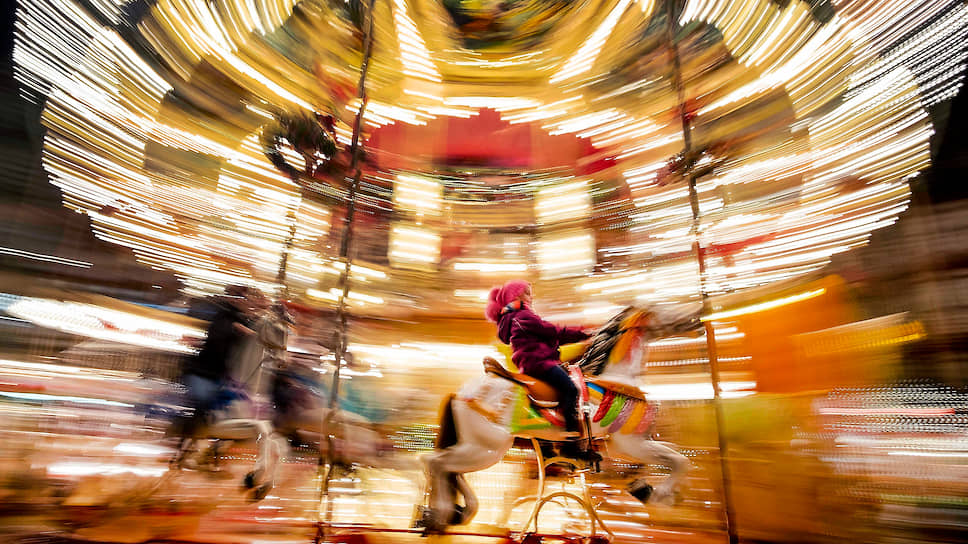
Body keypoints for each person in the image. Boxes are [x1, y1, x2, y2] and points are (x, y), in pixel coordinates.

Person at [485, 279, 600, 461]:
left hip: (532, 362)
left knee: (553, 396)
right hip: (538, 362)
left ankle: (547, 441)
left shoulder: (515, 316)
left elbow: (552, 336)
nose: (531, 297)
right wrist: (583, 334)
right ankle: (571, 443)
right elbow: (553, 331)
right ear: (516, 296)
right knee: (571, 389)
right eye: (527, 293)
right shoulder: (522, 316)